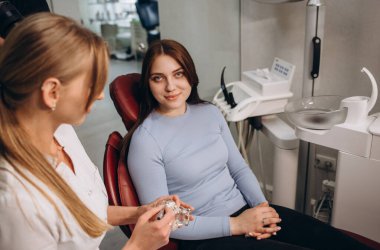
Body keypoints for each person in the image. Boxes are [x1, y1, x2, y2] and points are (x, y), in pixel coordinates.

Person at [125, 39, 372, 250]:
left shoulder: (209, 113)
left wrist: (261, 210)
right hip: (204, 237)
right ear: (148, 83)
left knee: (337, 243)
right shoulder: (145, 141)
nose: (170, 86)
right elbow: (167, 221)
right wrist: (237, 224)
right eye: (158, 78)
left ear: (190, 74)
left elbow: (239, 168)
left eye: (178, 74)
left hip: (246, 211)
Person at [0, 13, 193, 250]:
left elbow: (86, 210)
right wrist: (138, 246)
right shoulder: (18, 202)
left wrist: (140, 212)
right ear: (52, 92)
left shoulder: (63, 132)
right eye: (91, 84)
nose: (100, 95)